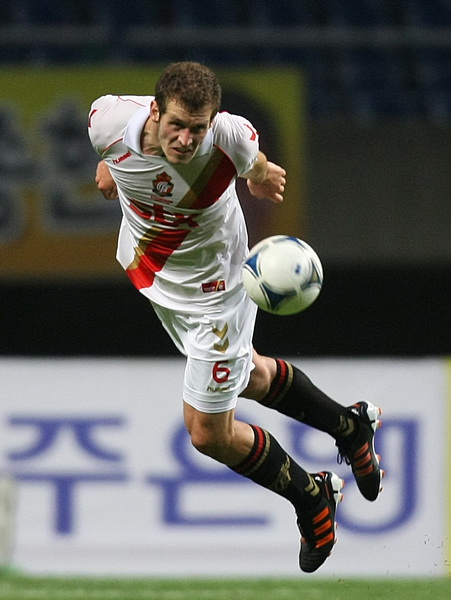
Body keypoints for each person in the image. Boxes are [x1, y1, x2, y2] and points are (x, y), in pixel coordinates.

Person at [88, 61, 383, 573]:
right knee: (247, 376)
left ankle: (312, 496)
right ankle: (350, 426)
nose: (186, 140)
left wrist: (262, 177)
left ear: (213, 121)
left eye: (197, 129)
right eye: (176, 125)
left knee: (207, 432)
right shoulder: (107, 122)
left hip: (217, 291)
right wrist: (111, 166)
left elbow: (258, 164)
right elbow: (113, 150)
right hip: (158, 277)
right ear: (154, 111)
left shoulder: (230, 136)